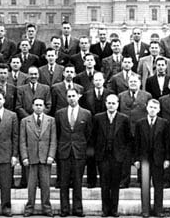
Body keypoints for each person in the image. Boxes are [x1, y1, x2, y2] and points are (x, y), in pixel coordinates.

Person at [91, 94, 132, 217]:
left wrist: (124, 153)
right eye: (109, 103)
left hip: (117, 156)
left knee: (115, 184)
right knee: (104, 184)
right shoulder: (98, 118)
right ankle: (105, 210)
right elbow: (93, 137)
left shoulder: (124, 118)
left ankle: (114, 210)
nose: (111, 105)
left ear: (118, 104)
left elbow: (128, 138)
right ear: (105, 104)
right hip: (103, 156)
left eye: (113, 103)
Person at [55, 88, 92, 217]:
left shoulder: (86, 114)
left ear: (78, 97)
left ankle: (78, 209)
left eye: (73, 96)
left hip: (79, 152)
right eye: (69, 96)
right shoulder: (60, 113)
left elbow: (88, 134)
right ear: (66, 98)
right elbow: (57, 133)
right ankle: (64, 209)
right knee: (64, 182)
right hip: (64, 151)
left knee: (77, 182)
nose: (71, 98)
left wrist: (83, 148)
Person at [20, 98, 57, 217]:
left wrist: (51, 155)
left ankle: (46, 208)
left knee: (46, 185)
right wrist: (24, 157)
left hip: (45, 158)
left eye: (41, 105)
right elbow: (22, 141)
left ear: (44, 107)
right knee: (31, 185)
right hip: (31, 157)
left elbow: (53, 140)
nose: (38, 107)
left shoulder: (51, 121)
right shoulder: (25, 121)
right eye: (36, 105)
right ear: (32, 106)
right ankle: (29, 208)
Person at [134, 99, 170, 218]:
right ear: (147, 108)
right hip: (144, 159)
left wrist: (167, 159)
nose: (152, 109)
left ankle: (158, 210)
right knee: (145, 186)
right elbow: (136, 143)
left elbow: (167, 143)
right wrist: (136, 159)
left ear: (159, 110)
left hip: (158, 159)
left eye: (155, 107)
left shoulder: (164, 123)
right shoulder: (140, 123)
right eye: (150, 107)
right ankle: (146, 210)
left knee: (158, 185)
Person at [118, 75, 152, 188]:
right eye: (131, 81)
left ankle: (142, 179)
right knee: (126, 156)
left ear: (140, 83)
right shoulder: (121, 96)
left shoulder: (146, 96)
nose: (133, 83)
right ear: (128, 83)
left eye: (135, 81)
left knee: (142, 154)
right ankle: (124, 180)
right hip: (126, 130)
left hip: (141, 130)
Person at [80, 72, 113, 188]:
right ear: (93, 81)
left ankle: (107, 181)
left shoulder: (110, 94)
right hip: (91, 130)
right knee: (91, 156)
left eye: (100, 80)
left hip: (106, 130)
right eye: (96, 80)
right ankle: (91, 181)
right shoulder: (87, 95)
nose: (98, 82)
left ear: (104, 81)